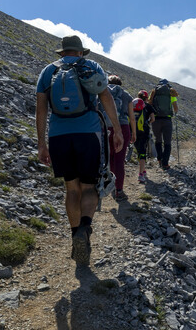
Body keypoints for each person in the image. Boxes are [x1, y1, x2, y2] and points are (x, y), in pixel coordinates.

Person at [35, 35, 123, 266]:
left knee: (71, 189)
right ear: (81, 52)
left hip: (59, 136)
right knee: (88, 186)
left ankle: (75, 235)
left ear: (62, 52)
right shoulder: (91, 66)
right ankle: (85, 229)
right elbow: (105, 97)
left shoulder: (48, 72)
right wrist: (117, 130)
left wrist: (41, 143)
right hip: (88, 134)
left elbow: (41, 109)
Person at [101, 75, 136, 201]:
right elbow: (132, 117)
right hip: (123, 128)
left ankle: (110, 186)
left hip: (106, 128)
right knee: (120, 160)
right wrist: (134, 133)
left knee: (109, 158)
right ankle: (119, 190)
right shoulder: (126, 95)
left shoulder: (102, 92)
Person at [147, 79, 178, 170]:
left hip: (156, 120)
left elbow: (149, 104)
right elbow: (175, 108)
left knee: (158, 140)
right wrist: (173, 111)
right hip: (167, 120)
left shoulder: (154, 92)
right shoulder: (171, 92)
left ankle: (160, 160)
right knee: (167, 142)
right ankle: (165, 164)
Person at [132, 90, 155, 183]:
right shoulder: (148, 106)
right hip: (144, 131)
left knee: (138, 150)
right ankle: (141, 174)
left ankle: (143, 169)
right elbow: (153, 119)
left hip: (133, 130)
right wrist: (147, 123)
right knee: (143, 152)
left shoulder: (132, 104)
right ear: (146, 98)